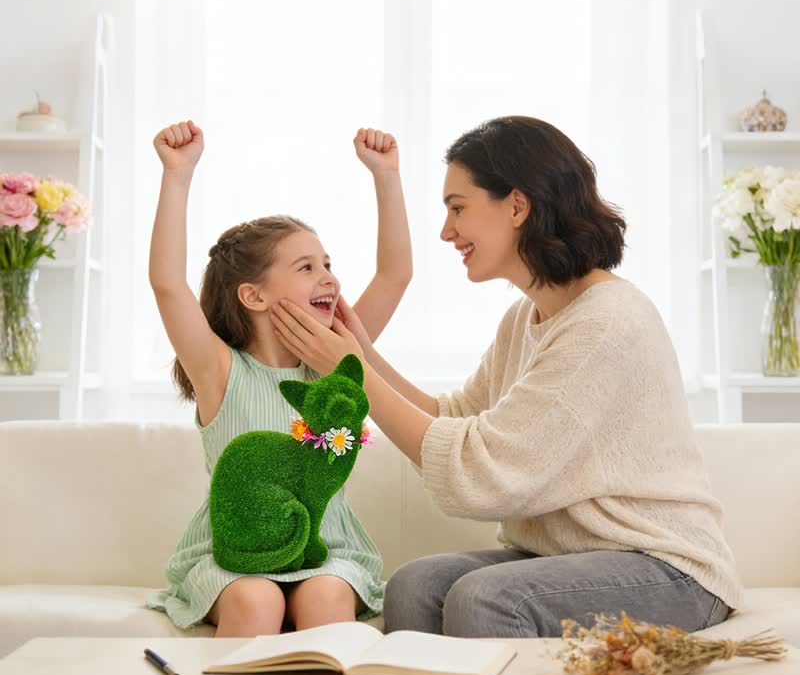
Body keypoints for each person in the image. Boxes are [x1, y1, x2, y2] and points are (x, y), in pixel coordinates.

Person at [269, 115, 743, 639]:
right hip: (570, 557)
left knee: (485, 599)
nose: (446, 231)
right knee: (413, 586)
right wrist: (359, 355)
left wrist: (349, 374)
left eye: (457, 208)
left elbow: (484, 469)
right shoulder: (526, 317)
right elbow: (456, 419)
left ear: (517, 206)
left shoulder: (606, 323)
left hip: (667, 570)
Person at [145, 120, 413, 637]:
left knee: (326, 597)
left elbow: (394, 276)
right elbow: (167, 285)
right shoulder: (219, 371)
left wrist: (387, 176)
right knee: (256, 600)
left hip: (326, 551)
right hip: (236, 556)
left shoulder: (334, 363)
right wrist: (176, 176)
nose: (329, 277)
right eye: (307, 267)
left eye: (328, 264)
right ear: (254, 295)